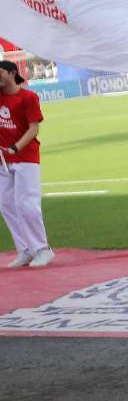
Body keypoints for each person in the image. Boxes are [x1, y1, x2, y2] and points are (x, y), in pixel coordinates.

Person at [0, 60, 52, 268]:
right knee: (6, 204)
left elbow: (33, 129)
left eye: (1, 72)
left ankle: (42, 249)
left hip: (25, 157)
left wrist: (15, 147)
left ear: (12, 73)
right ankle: (26, 250)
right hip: (3, 160)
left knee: (26, 203)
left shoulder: (28, 97)